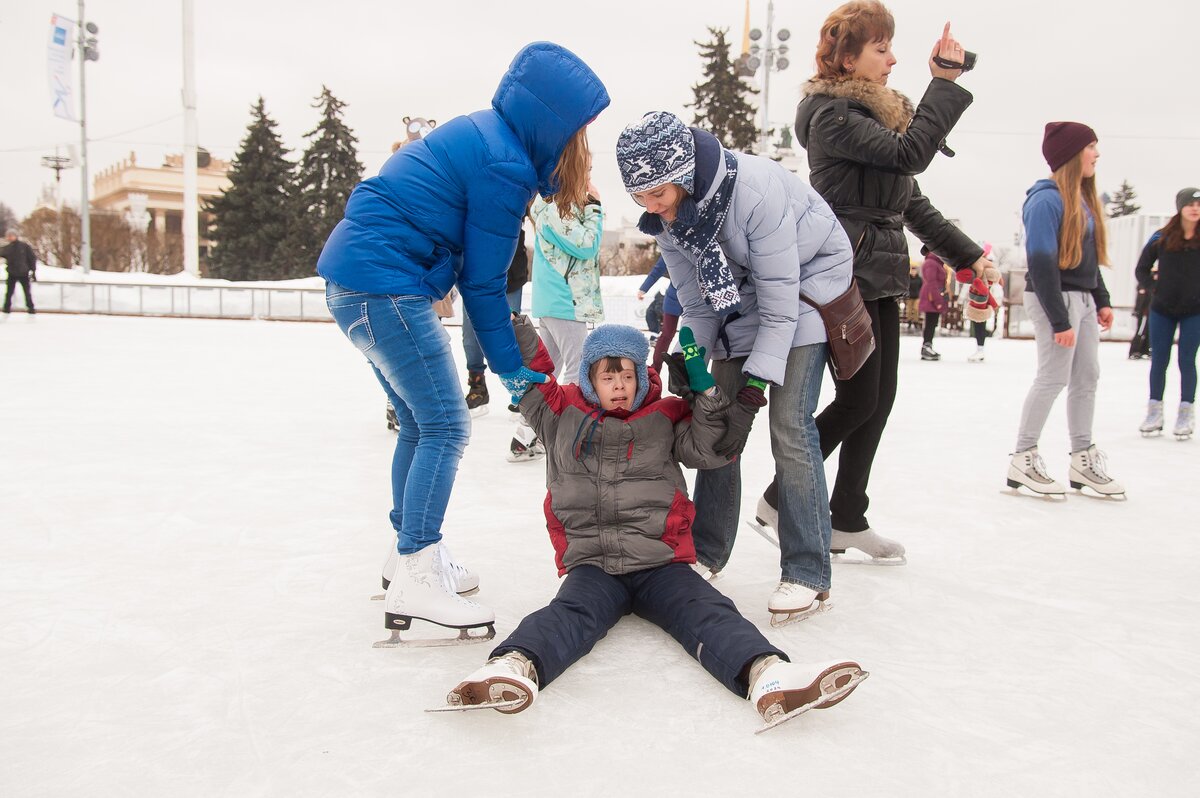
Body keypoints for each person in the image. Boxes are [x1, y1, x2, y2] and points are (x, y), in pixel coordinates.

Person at [316, 42, 609, 644]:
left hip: (358, 282)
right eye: (579, 129)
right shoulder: (504, 165)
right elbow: (483, 286)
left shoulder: (488, 137)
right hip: (384, 286)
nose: (582, 144)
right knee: (448, 425)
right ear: (553, 124)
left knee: (425, 423)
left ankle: (408, 558)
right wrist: (516, 373)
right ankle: (417, 577)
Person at [436, 317, 867, 727]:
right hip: (594, 564)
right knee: (569, 614)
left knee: (707, 611)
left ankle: (767, 674)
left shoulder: (664, 416)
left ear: (642, 378)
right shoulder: (559, 416)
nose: (619, 387)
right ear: (589, 379)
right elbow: (534, 372)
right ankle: (514, 665)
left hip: (661, 562)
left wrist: (705, 395)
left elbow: (710, 450)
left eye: (627, 376)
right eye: (608, 378)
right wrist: (514, 325)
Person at [615, 110, 853, 625]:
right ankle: (707, 550)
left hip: (809, 287)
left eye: (657, 192)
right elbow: (698, 302)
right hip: (744, 296)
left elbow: (780, 304)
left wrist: (754, 391)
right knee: (716, 422)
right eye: (640, 197)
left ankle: (808, 570)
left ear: (679, 172)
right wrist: (696, 365)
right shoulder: (667, 220)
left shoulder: (755, 194)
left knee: (788, 425)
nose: (652, 208)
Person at [778, 2, 991, 559]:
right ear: (847, 59)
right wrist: (942, 83)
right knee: (858, 399)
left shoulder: (873, 122)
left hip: (880, 274)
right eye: (881, 49)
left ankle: (847, 515)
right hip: (843, 275)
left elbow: (912, 204)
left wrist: (969, 259)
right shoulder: (833, 116)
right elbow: (911, 155)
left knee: (879, 398)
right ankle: (781, 497)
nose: (894, 59)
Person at [1006, 122, 1124, 498]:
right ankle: (1023, 456)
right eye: (1091, 146)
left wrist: (1101, 300)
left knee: (1087, 377)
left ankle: (1082, 457)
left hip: (1083, 299)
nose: (1097, 154)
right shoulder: (1046, 200)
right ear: (1072, 154)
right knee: (1053, 376)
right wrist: (1060, 318)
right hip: (1053, 297)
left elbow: (1088, 259)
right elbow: (1041, 262)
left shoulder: (1083, 199)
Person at [522, 176, 604, 461]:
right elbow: (586, 244)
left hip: (557, 301)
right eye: (585, 169)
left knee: (550, 371)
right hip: (563, 301)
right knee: (577, 369)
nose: (588, 177)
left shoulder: (553, 208)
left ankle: (525, 435)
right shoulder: (555, 208)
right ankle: (567, 436)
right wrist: (594, 206)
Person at [1135, 187, 1200, 440]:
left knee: (1187, 360)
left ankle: (1186, 411)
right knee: (1159, 360)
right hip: (1163, 309)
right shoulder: (1161, 237)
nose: (1195, 208)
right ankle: (1154, 411)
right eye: (1190, 204)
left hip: (1194, 310)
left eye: (1198, 204)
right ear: (1180, 207)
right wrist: (1154, 289)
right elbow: (1141, 269)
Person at [463, 228, 528, 418]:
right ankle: (477, 386)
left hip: (510, 276)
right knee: (471, 336)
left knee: (512, 334)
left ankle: (521, 391)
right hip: (475, 276)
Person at [637, 256, 683, 374]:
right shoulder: (672, 245)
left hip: (693, 298)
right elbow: (658, 269)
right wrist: (643, 289)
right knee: (667, 334)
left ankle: (687, 370)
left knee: (689, 335)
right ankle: (655, 370)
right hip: (675, 297)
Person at [918, 247, 947, 360]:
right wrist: (938, 300)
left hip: (932, 297)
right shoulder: (931, 263)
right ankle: (926, 346)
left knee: (932, 323)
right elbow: (932, 282)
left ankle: (928, 346)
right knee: (930, 323)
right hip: (931, 298)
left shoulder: (934, 262)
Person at [1, 230, 37, 314]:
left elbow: (32, 258)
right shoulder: (7, 248)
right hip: (12, 273)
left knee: (27, 292)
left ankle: (30, 308)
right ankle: (6, 308)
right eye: (8, 236)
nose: (9, 237)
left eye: (11, 236)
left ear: (16, 236)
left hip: (23, 272)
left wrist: (33, 271)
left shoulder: (24, 246)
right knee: (9, 292)